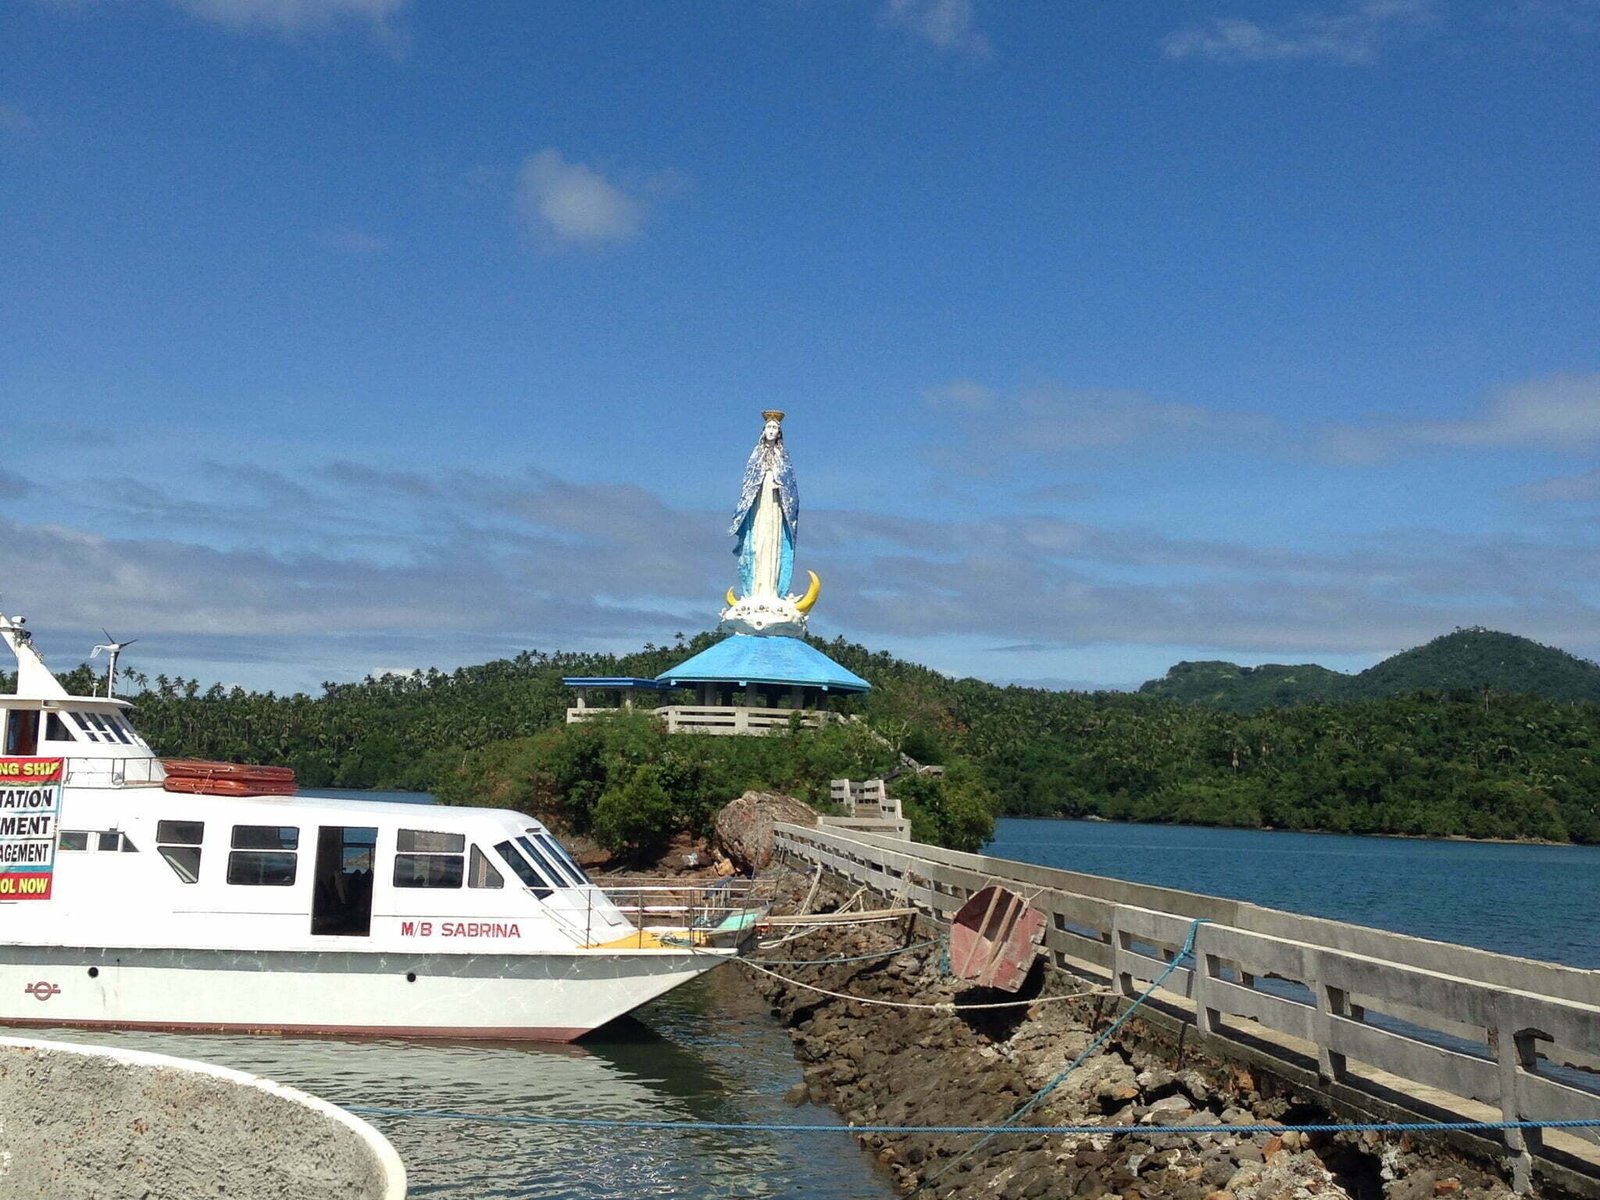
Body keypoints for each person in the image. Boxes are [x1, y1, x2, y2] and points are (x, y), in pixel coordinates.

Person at [730, 410, 798, 598]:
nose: (771, 430)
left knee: (773, 543)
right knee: (757, 545)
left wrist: (779, 484)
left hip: (776, 505)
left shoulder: (782, 456)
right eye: (769, 427)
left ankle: (772, 589)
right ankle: (755, 589)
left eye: (775, 428)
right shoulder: (756, 454)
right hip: (758, 506)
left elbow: (790, 486)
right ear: (763, 430)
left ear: (779, 432)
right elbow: (748, 482)